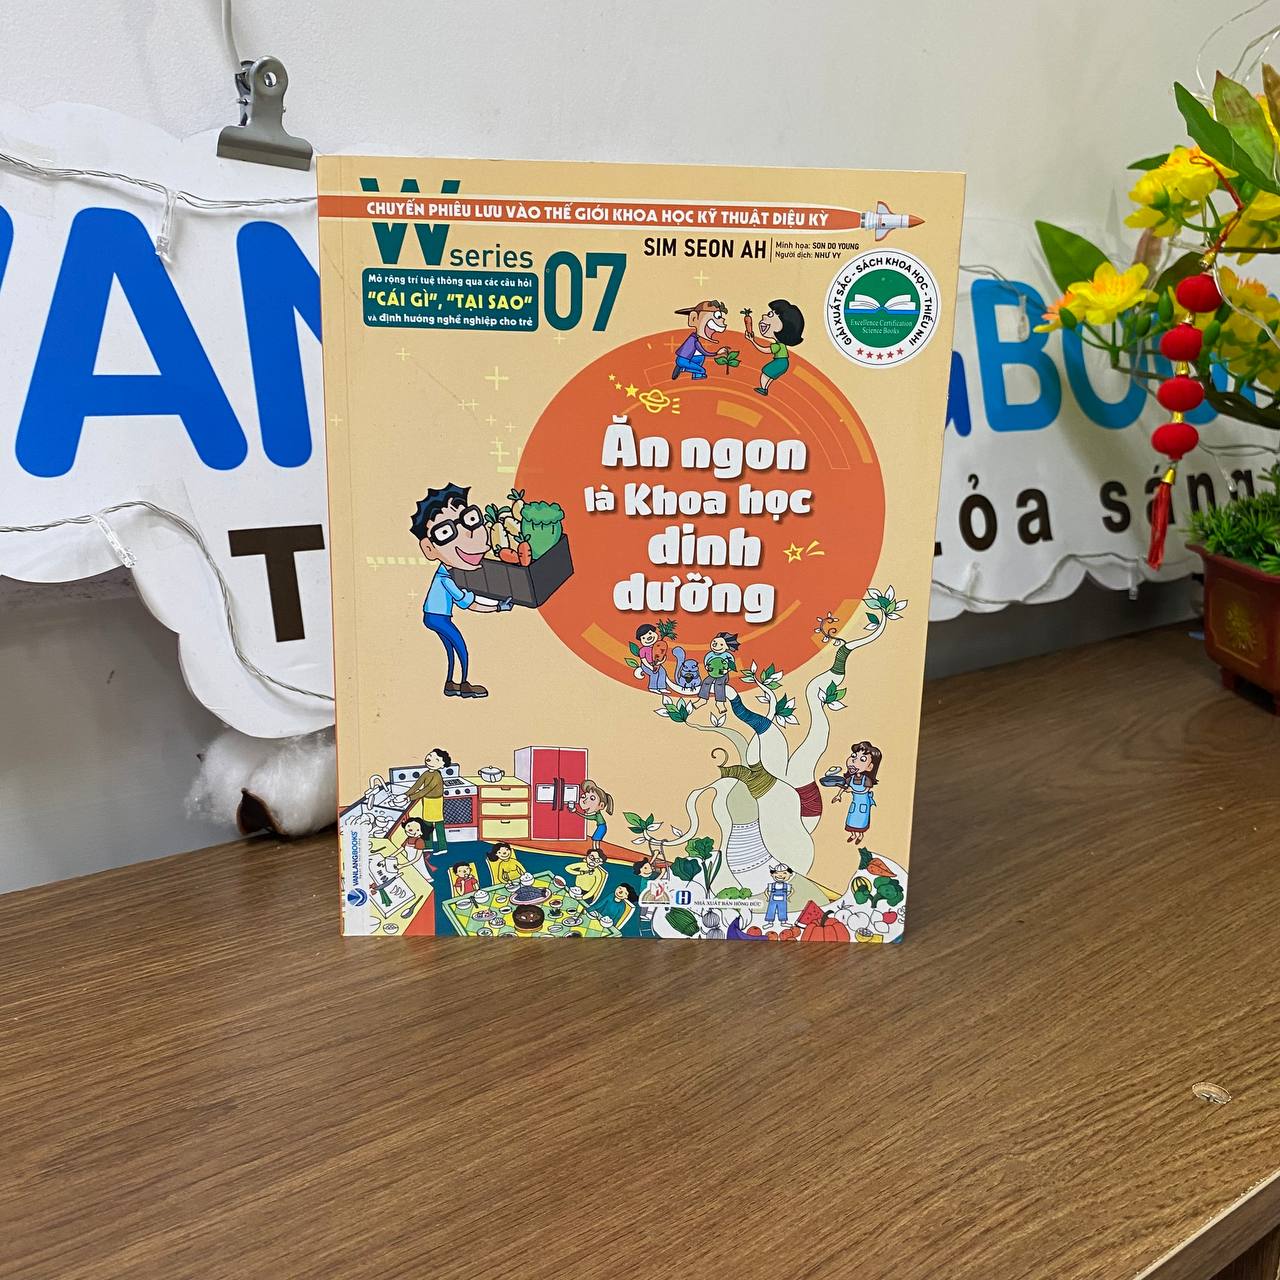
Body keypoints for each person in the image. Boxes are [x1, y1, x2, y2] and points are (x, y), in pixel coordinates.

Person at [411, 482, 514, 699]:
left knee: (451, 649)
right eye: (446, 532)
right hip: (436, 617)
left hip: (436, 616)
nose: (468, 536)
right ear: (429, 548)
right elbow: (470, 603)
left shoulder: (449, 574)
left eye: (471, 519)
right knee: (460, 647)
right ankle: (464, 684)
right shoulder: (446, 579)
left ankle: (451, 684)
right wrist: (498, 607)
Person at [743, 299, 804, 396]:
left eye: (770, 315)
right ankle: (765, 388)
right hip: (783, 363)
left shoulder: (777, 346)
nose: (764, 316)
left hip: (780, 362)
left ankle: (763, 389)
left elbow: (764, 350)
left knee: (765, 373)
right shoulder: (781, 345)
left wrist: (752, 341)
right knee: (770, 376)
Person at [400, 748, 451, 855]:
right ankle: (428, 846)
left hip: (436, 802)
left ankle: (443, 847)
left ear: (442, 765)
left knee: (438, 826)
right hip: (427, 801)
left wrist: (410, 798)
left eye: (436, 759)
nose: (430, 759)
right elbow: (417, 785)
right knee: (427, 825)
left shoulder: (437, 776)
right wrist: (405, 794)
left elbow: (426, 789)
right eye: (430, 756)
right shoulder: (426, 773)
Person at [832, 740, 883, 844]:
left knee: (861, 821)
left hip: (863, 804)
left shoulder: (866, 779)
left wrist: (853, 790)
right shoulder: (851, 778)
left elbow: (865, 790)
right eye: (853, 756)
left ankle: (860, 836)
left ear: (870, 767)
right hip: (855, 803)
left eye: (862, 759)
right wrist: (838, 795)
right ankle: (853, 835)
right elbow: (845, 786)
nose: (854, 760)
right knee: (851, 819)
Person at [671, 299, 730, 380]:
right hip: (682, 361)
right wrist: (717, 353)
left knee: (701, 357)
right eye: (717, 316)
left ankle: (697, 375)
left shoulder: (694, 338)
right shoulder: (694, 340)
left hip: (687, 359)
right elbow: (704, 352)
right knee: (702, 370)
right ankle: (683, 369)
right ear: (694, 319)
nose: (722, 320)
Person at [694, 632, 740, 712]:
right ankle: (702, 699)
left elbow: (731, 666)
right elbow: (706, 663)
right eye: (714, 642)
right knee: (706, 682)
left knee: (719, 684)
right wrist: (707, 668)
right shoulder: (709, 655)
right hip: (712, 674)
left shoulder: (728, 656)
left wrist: (726, 670)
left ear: (727, 647)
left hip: (723, 674)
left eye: (721, 644)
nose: (715, 645)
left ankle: (720, 702)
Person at [568, 779, 614, 855]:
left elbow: (588, 817)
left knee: (595, 839)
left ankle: (596, 851)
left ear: (601, 805)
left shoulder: (597, 815)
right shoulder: (597, 814)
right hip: (601, 827)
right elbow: (588, 816)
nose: (584, 801)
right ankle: (595, 850)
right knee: (595, 839)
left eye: (592, 799)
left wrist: (576, 812)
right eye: (583, 796)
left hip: (601, 827)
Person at [634, 622, 670, 693]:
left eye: (650, 633)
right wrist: (650, 667)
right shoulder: (643, 650)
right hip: (646, 665)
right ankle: (652, 687)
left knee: (662, 672)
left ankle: (662, 687)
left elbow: (662, 656)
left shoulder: (659, 646)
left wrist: (660, 662)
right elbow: (644, 660)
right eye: (643, 638)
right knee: (654, 673)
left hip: (656, 664)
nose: (648, 638)